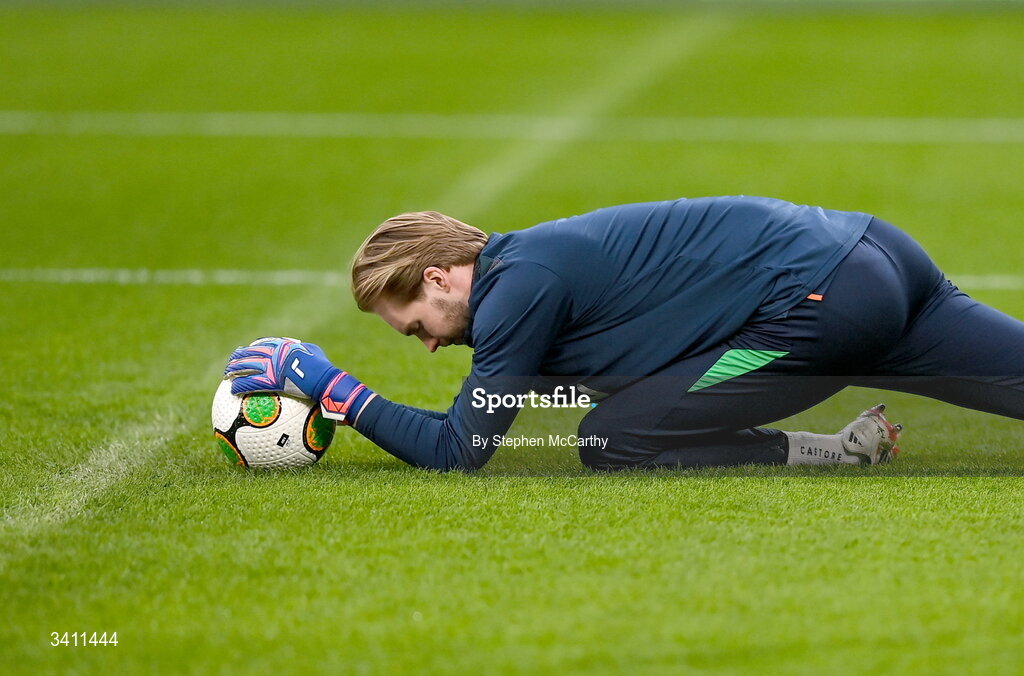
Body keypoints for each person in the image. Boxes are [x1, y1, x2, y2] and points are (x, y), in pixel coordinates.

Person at [223, 196, 1024, 471]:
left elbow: (458, 451)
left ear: (437, 278)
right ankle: (834, 444)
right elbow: (475, 421)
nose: (428, 343)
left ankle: (827, 452)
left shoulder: (514, 296)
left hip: (815, 306)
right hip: (874, 253)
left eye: (416, 327)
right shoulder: (526, 268)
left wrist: (334, 390)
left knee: (615, 437)